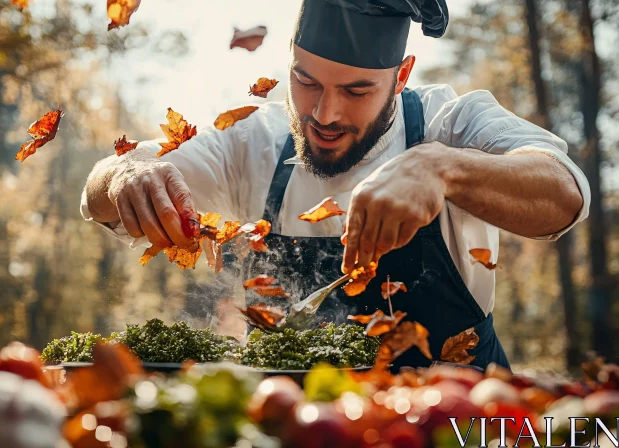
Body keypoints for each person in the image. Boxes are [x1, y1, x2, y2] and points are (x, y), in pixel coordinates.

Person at [81, 0, 590, 370]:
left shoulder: (451, 125)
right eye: (306, 82)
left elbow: (564, 192)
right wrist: (130, 172)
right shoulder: (252, 142)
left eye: (356, 90)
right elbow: (99, 192)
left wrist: (442, 168)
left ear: (402, 75)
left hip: (454, 421)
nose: (324, 114)